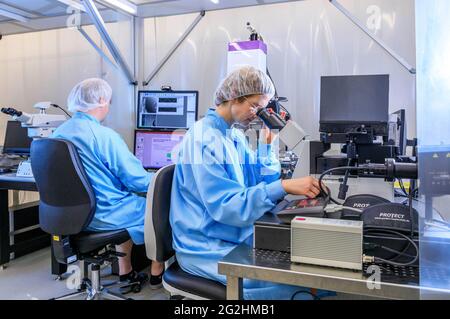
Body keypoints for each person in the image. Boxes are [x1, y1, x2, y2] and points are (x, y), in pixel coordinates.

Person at [170, 66, 332, 300]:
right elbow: (226, 206)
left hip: (234, 231)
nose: (257, 113)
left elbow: (259, 181)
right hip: (205, 245)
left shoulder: (234, 135)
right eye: (255, 106)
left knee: (308, 265)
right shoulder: (202, 138)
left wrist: (268, 145)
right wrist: (285, 186)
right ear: (234, 97)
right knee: (294, 284)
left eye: (262, 108)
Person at [52, 78, 164, 293]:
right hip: (104, 215)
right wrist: (166, 178)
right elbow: (137, 180)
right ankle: (157, 272)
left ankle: (126, 270)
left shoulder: (57, 134)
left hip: (68, 216)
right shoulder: (104, 136)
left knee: (125, 197)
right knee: (158, 206)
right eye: (109, 101)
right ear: (102, 100)